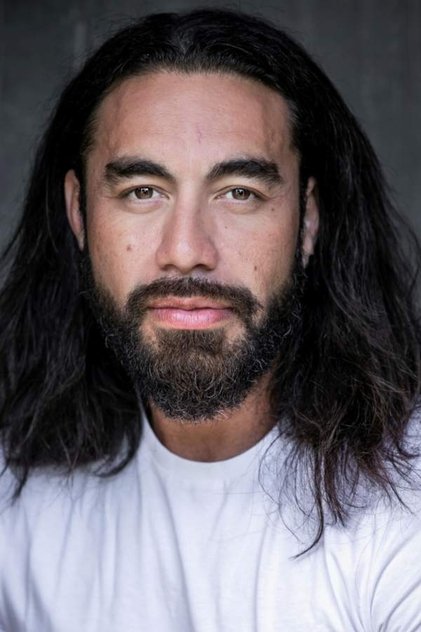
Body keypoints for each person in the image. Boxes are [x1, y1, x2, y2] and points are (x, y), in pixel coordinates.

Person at [0, 8, 420, 631]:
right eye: (143, 191)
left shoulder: (405, 505)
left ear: (307, 220)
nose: (187, 249)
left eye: (239, 193)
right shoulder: (18, 494)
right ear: (79, 214)